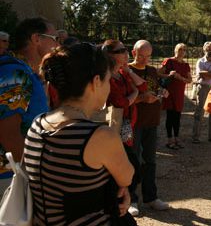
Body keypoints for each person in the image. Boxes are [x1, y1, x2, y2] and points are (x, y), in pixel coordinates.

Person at [23, 43, 135, 224]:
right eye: (107, 80)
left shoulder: (37, 124)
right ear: (96, 82)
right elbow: (127, 176)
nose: (108, 87)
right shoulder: (99, 136)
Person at [0, 17, 57, 191]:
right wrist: (35, 172)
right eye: (53, 39)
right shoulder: (15, 73)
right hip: (9, 177)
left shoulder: (25, 72)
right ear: (36, 39)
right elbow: (8, 134)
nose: (57, 45)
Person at [103, 39, 148, 218]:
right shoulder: (106, 76)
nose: (126, 53)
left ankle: (125, 200)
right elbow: (120, 102)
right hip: (112, 128)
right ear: (109, 55)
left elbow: (143, 86)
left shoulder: (122, 73)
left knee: (129, 162)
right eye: (121, 50)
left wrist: (129, 71)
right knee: (121, 165)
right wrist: (135, 94)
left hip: (127, 126)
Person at [128, 40, 170, 215]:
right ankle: (131, 200)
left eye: (148, 56)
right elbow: (124, 100)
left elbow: (156, 88)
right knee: (132, 161)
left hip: (152, 122)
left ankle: (151, 197)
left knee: (150, 161)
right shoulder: (127, 71)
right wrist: (143, 98)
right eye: (141, 55)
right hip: (134, 124)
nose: (145, 59)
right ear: (133, 53)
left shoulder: (152, 70)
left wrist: (162, 93)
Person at [159, 43, 192, 149]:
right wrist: (170, 75)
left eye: (183, 50)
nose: (181, 52)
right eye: (179, 49)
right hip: (169, 93)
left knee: (177, 117)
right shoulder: (169, 61)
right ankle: (170, 140)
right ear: (175, 50)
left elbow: (189, 80)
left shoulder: (185, 65)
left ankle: (177, 139)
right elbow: (158, 74)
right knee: (170, 117)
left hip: (179, 94)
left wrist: (180, 78)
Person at [192, 41, 211, 143]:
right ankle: (196, 137)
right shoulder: (200, 61)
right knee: (199, 111)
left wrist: (207, 74)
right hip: (203, 87)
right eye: (208, 49)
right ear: (204, 50)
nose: (210, 51)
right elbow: (201, 73)